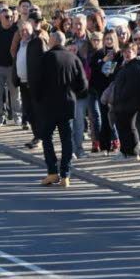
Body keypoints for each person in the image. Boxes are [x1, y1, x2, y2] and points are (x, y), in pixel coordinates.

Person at [35, 32, 88, 187]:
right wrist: (74, 94)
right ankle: (65, 174)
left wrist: (37, 100)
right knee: (66, 139)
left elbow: (37, 82)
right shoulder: (73, 58)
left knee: (47, 137)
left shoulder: (45, 58)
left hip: (48, 105)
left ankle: (52, 171)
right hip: (68, 103)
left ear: (52, 41)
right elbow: (83, 85)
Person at [110, 41, 140, 160]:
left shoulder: (135, 66)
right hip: (122, 103)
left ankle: (133, 151)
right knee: (122, 127)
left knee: (130, 127)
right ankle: (125, 151)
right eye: (125, 52)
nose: (127, 54)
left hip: (130, 103)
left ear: (135, 52)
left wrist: (120, 97)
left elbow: (132, 87)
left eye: (129, 51)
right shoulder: (125, 65)